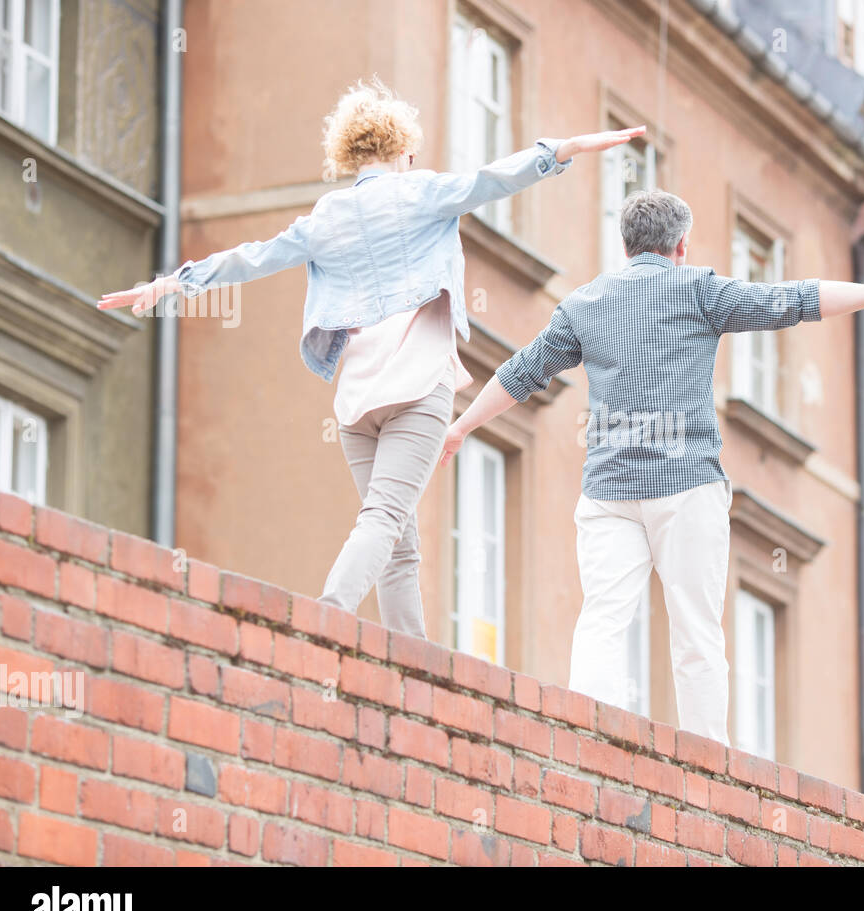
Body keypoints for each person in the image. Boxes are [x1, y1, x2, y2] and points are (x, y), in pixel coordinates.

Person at [97, 78, 644, 640]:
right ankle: (328, 614)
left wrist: (169, 284)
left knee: (397, 538)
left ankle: (414, 665)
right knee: (385, 520)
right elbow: (493, 180)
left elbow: (250, 259)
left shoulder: (325, 217)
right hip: (418, 385)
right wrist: (563, 150)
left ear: (351, 153)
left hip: (357, 401)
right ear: (404, 150)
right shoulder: (423, 191)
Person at [441, 189, 864, 745]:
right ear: (681, 244)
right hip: (686, 487)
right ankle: (708, 763)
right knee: (696, 631)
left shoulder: (585, 304)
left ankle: (583, 738)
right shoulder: (701, 292)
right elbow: (796, 299)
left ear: (625, 243)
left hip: (608, 491)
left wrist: (461, 425)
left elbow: (523, 372)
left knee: (603, 618)